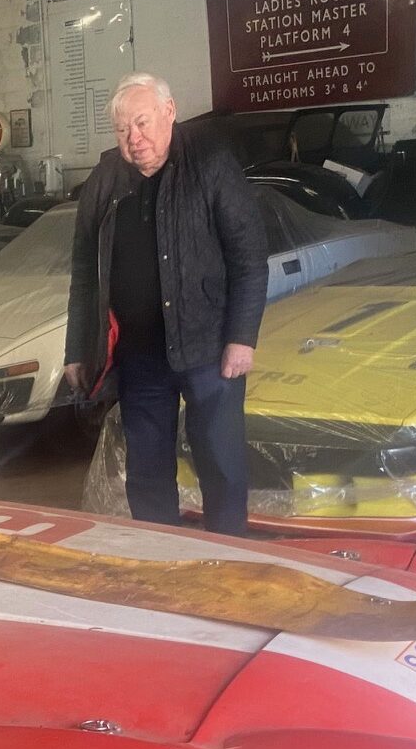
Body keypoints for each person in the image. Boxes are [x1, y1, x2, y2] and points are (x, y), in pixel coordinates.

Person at [65, 72, 270, 536]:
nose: (134, 139)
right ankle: (161, 558)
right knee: (147, 472)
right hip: (139, 356)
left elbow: (249, 256)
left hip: (209, 348)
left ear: (169, 112)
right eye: (123, 130)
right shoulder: (105, 179)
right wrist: (76, 348)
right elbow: (84, 271)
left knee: (220, 464)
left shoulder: (210, 164)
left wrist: (242, 338)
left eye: (142, 124)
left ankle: (228, 557)